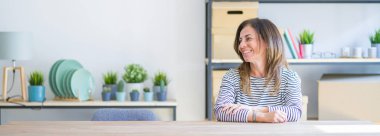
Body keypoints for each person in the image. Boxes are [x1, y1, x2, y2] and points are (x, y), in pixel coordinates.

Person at [214, 18, 302, 123]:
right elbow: (220, 111)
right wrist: (262, 117)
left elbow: (295, 112)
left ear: (267, 41)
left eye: (248, 38)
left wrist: (253, 109)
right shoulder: (232, 77)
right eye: (240, 40)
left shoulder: (290, 78)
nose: (241, 46)